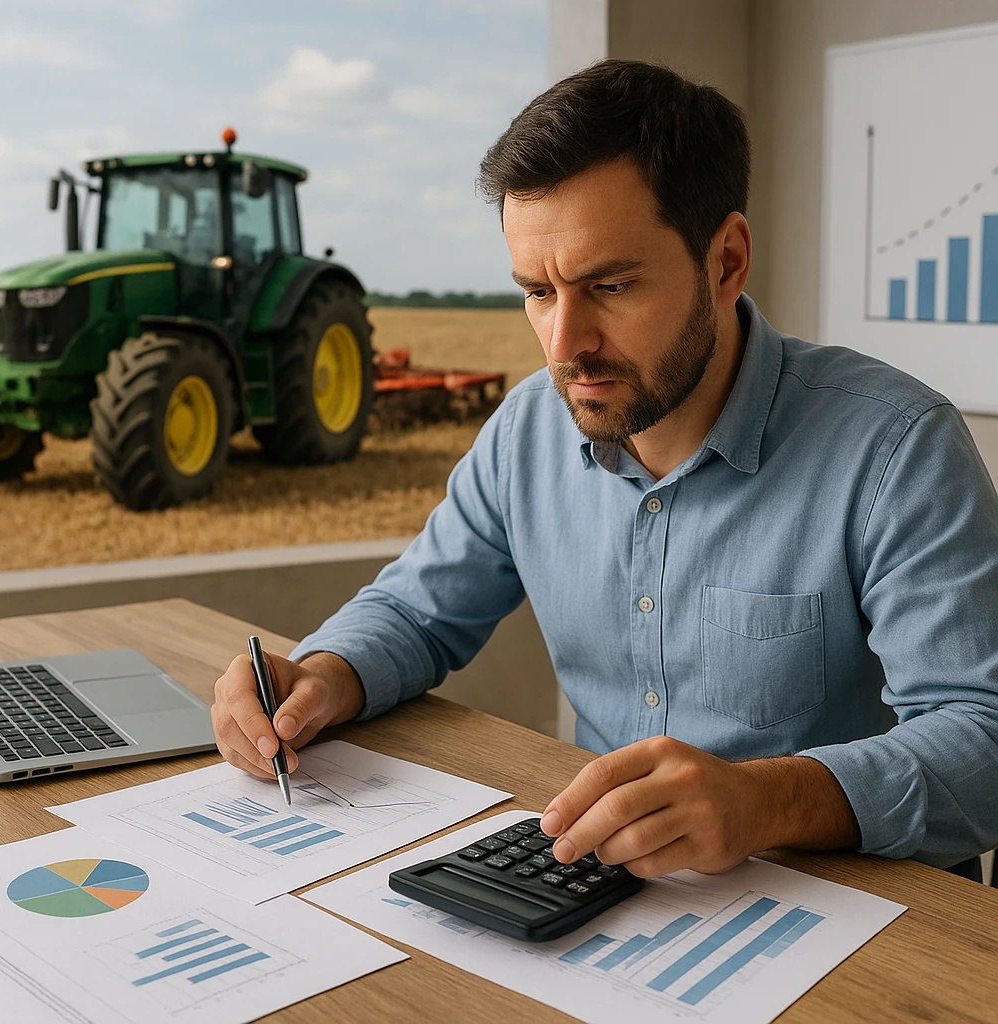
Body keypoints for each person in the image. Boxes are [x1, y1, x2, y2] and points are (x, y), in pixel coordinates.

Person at [211, 60, 998, 880]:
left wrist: (769, 800)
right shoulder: (527, 429)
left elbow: (983, 738)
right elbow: (415, 612)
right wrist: (321, 677)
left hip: (871, 931)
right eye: (538, 293)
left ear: (726, 260)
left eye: (610, 286)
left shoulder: (897, 447)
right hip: (608, 900)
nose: (563, 346)